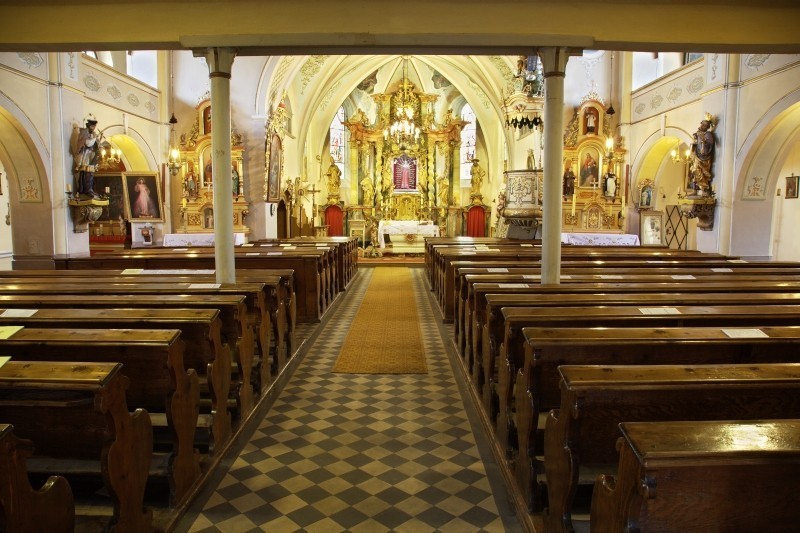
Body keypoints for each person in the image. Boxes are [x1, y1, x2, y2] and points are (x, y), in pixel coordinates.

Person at [71, 116, 101, 198]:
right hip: (85, 155)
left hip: (92, 154)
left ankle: (90, 189)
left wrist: (99, 145)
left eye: (94, 126)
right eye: (93, 126)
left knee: (91, 173)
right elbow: (87, 143)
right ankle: (86, 190)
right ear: (89, 125)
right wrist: (94, 138)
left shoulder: (93, 133)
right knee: (86, 171)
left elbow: (97, 143)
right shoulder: (84, 132)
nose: (94, 128)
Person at [689, 118, 715, 195]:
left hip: (704, 158)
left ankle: (704, 188)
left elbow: (710, 144)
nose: (701, 126)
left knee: (701, 173)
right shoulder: (698, 134)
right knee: (694, 171)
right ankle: (695, 190)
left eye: (704, 125)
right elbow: (696, 143)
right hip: (697, 156)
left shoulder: (708, 134)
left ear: (707, 127)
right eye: (701, 124)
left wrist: (704, 140)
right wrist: (695, 141)